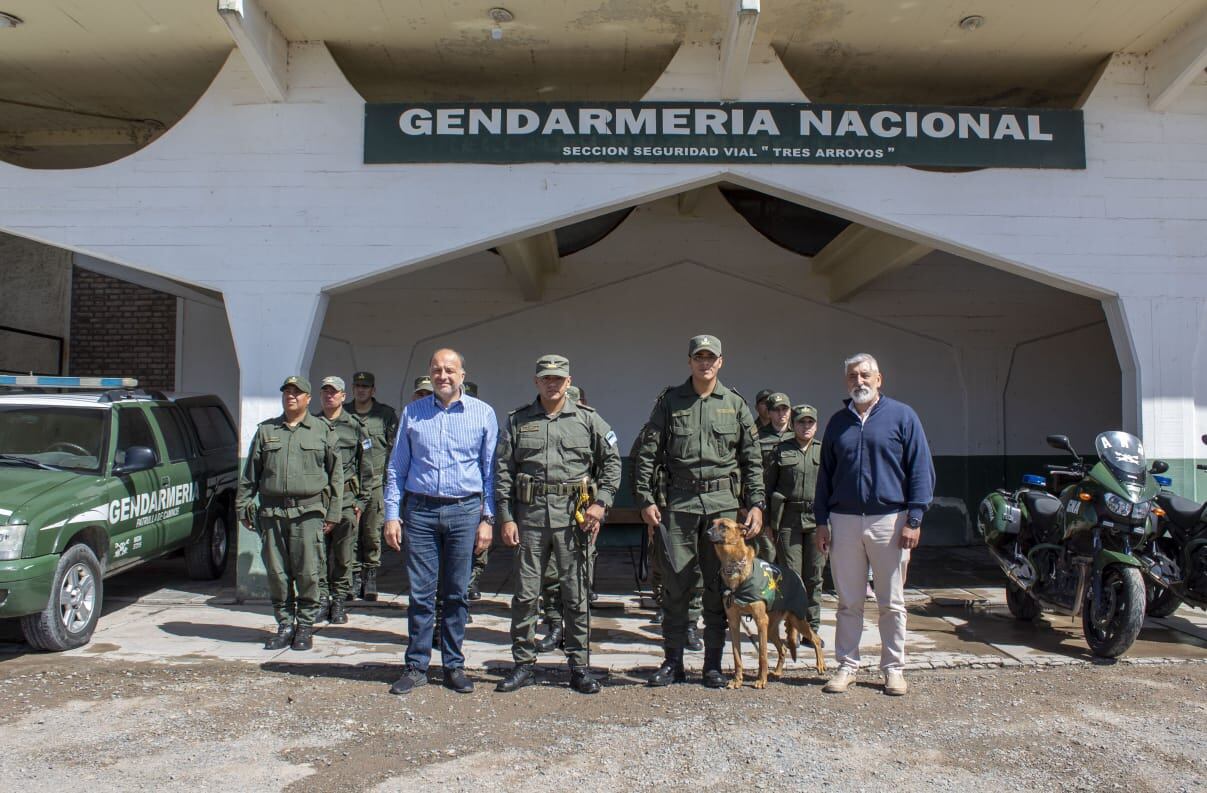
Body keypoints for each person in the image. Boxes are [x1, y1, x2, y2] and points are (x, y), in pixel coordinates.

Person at [634, 334, 765, 687]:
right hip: (680, 505)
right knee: (675, 586)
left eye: (711, 358)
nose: (705, 363)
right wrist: (645, 499)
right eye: (699, 357)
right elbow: (648, 453)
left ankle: (712, 666)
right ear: (689, 361)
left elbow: (752, 459)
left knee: (718, 587)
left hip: (722, 508)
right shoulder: (670, 402)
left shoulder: (735, 404)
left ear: (721, 361)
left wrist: (756, 504)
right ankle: (672, 662)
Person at [495, 355, 621, 694]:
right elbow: (503, 472)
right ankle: (523, 664)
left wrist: (601, 503)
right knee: (525, 594)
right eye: (546, 378)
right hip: (531, 518)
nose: (552, 383)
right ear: (536, 381)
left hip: (574, 519)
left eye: (558, 378)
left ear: (568, 382)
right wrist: (506, 518)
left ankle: (579, 667)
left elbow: (612, 464)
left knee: (576, 594)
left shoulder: (588, 420)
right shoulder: (518, 421)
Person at [815, 353, 934, 697]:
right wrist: (822, 520)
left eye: (865, 375)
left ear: (879, 379)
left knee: (891, 601)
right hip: (844, 521)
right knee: (848, 601)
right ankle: (846, 666)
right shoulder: (838, 422)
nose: (859, 381)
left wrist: (914, 518)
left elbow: (921, 470)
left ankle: (893, 669)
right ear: (846, 382)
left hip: (890, 521)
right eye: (853, 376)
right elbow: (825, 476)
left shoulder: (902, 416)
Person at [383, 349, 497, 695]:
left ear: (463, 375)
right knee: (420, 594)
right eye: (437, 370)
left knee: (456, 593)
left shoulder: (483, 414)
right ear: (429, 375)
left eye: (450, 370)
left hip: (465, 511)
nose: (443, 376)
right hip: (420, 512)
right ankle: (416, 666)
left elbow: (490, 472)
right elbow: (396, 469)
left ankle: (454, 666)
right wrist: (391, 515)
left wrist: (487, 519)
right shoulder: (412, 413)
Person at [236, 375, 341, 651]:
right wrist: (242, 505)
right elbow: (250, 476)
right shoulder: (267, 431)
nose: (291, 396)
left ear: (308, 399)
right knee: (277, 573)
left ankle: (305, 626)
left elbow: (336, 475)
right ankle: (284, 623)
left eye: (297, 392)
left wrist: (332, 513)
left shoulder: (322, 430)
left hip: (308, 513)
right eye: (287, 392)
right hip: (272, 514)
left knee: (308, 572)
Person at [315, 376, 373, 624]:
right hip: (317, 502)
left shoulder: (355, 427)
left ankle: (338, 602)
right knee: (317, 556)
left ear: (342, 396)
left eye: (334, 392)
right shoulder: (312, 425)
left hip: (348, 501)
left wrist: (362, 501)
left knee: (343, 555)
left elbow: (366, 468)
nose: (329, 396)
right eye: (325, 391)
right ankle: (320, 600)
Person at [764, 404, 825, 634]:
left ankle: (812, 628)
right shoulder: (780, 451)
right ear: (794, 424)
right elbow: (768, 488)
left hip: (817, 519)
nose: (806, 426)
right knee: (791, 576)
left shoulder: (823, 451)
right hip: (788, 520)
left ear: (816, 425)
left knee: (815, 575)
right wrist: (769, 522)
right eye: (801, 422)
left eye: (810, 422)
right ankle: (793, 627)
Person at [346, 371, 398, 602]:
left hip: (376, 482)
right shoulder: (343, 414)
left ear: (373, 390)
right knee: (350, 531)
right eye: (358, 386)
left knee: (372, 531)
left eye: (366, 386)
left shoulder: (386, 415)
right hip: (350, 482)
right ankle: (354, 576)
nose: (361, 390)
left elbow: (395, 449)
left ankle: (370, 575)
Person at [754, 391, 793, 562]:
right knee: (767, 555)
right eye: (776, 410)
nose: (781, 413)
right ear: (769, 412)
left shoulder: (797, 436)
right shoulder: (756, 437)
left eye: (785, 409)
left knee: (789, 557)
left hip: (790, 507)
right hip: (765, 504)